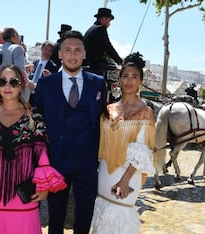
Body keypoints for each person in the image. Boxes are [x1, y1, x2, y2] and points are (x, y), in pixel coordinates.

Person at [0, 64, 67, 234]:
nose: (8, 86)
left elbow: (42, 154)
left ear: (22, 84)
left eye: (13, 82)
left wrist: (43, 187)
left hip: (25, 195)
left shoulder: (35, 117)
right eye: (3, 81)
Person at [34, 30, 107, 234]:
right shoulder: (46, 84)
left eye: (77, 50)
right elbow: (36, 117)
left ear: (84, 53)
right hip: (56, 161)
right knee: (55, 216)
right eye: (68, 50)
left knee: (84, 216)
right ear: (60, 54)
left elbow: (104, 118)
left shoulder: (98, 83)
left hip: (87, 162)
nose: (72, 55)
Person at [91, 52, 156, 234]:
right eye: (125, 76)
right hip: (104, 173)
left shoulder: (145, 111)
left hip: (127, 175)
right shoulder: (108, 109)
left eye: (134, 77)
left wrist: (125, 181)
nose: (129, 81)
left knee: (120, 218)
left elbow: (143, 149)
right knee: (102, 217)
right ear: (119, 79)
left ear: (141, 81)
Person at [84, 7, 123, 76]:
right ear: (104, 19)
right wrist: (120, 61)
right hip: (95, 66)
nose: (109, 24)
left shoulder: (91, 29)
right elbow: (108, 47)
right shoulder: (100, 29)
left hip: (87, 63)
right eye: (109, 21)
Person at [0, 27, 30, 102]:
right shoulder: (17, 48)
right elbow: (20, 71)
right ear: (14, 35)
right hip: (13, 88)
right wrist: (28, 83)